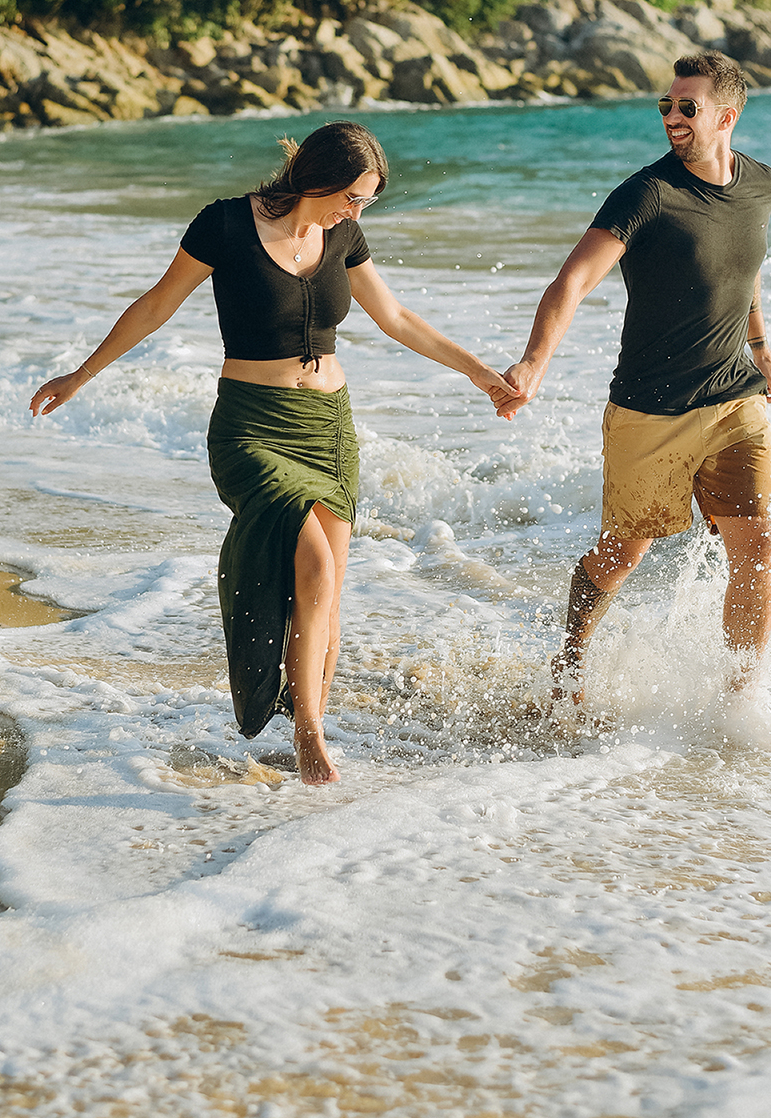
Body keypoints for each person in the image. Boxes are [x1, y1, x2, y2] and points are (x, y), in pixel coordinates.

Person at [31, 122, 522, 785]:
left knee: (329, 590)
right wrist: (79, 375)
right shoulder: (226, 225)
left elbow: (398, 318)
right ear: (314, 179)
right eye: (352, 196)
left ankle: (308, 711)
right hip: (252, 427)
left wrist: (482, 373)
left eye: (367, 201)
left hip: (328, 428)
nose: (356, 211)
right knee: (314, 565)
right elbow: (156, 306)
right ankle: (309, 738)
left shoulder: (343, 235)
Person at [502, 53, 771, 729]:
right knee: (623, 554)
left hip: (735, 402)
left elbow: (742, 269)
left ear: (726, 117)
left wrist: (762, 350)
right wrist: (534, 364)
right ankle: (570, 663)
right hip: (650, 411)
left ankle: (740, 706)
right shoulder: (646, 195)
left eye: (685, 108)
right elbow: (570, 283)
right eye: (665, 106)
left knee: (759, 548)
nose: (671, 118)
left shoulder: (761, 185)